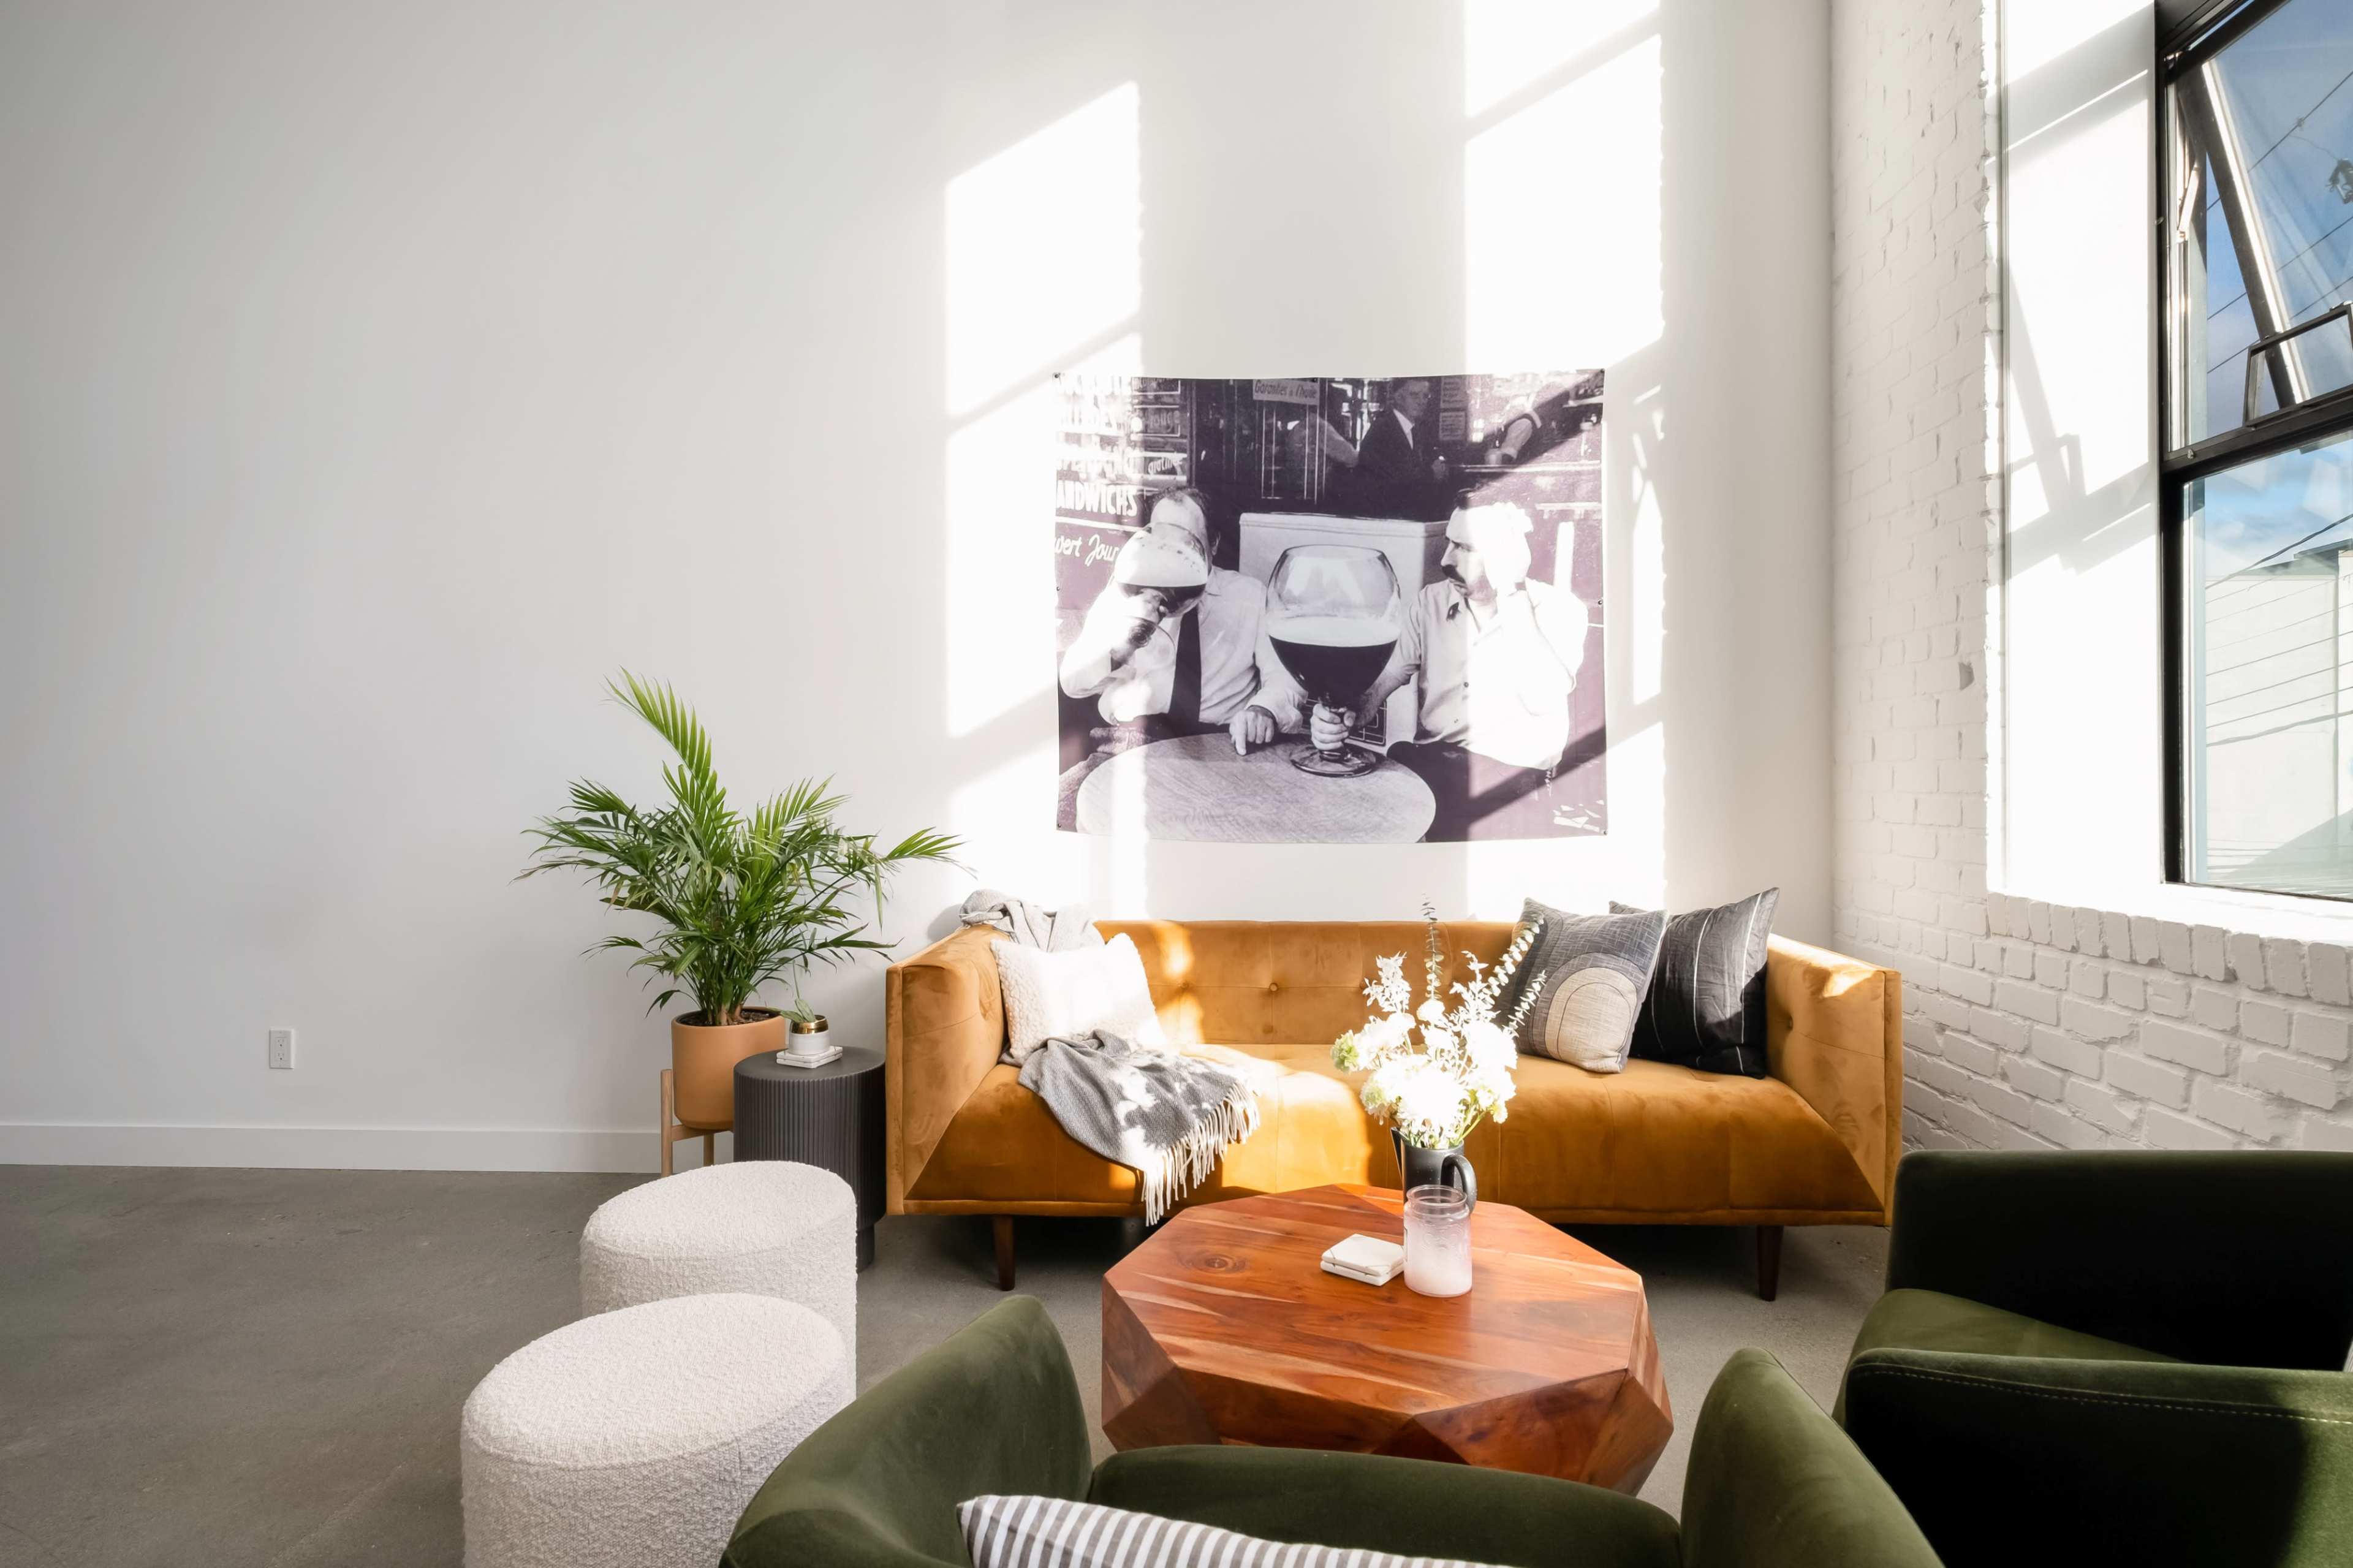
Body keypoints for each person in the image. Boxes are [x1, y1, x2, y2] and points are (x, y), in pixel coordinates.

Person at [1237, 500, 1590, 840]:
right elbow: (1379, 687)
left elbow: (1543, 697)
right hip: (1433, 771)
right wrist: (1340, 715)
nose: (1446, 560)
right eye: (1450, 543)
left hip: (1513, 785)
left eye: (1466, 549)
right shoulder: (1430, 602)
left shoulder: (1559, 609)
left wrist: (1510, 590)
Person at [1057, 488, 1302, 822]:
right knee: (1062, 820)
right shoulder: (1121, 595)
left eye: (1187, 543)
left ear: (1212, 544)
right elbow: (1072, 681)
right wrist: (1123, 642)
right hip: (1127, 747)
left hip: (1220, 752)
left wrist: (1264, 710)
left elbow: (1285, 679)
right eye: (1160, 540)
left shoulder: (1251, 597)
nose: (1171, 553)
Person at [1349, 377, 1452, 521]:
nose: (1421, 401)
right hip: (1385, 519)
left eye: (1425, 396)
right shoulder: (1383, 430)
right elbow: (1394, 479)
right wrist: (1431, 473)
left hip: (1406, 519)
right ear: (1398, 397)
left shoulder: (1416, 430)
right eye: (1414, 395)